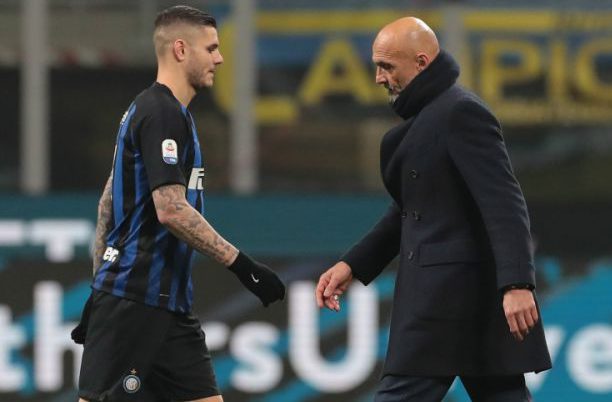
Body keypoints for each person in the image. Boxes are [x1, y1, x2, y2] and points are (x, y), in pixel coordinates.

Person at [315, 17, 551, 402]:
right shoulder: (430, 118)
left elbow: (505, 202)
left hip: (446, 302)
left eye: (386, 66)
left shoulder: (461, 113)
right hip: (455, 302)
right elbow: (409, 209)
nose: (378, 77)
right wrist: (353, 265)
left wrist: (518, 283)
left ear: (421, 63)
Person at [73, 6, 285, 402]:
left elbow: (107, 200)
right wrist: (243, 267)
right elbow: (170, 209)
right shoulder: (162, 113)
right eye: (212, 48)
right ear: (181, 50)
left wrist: (100, 280)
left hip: (166, 304)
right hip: (136, 297)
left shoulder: (156, 111)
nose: (220, 59)